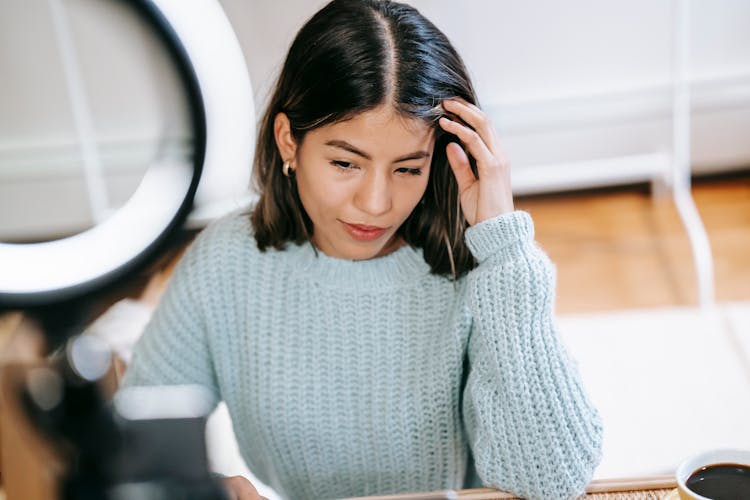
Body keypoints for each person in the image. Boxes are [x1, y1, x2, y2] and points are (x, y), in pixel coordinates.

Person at [120, 0, 603, 499]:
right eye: (346, 164)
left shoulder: (476, 265)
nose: (376, 204)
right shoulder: (224, 263)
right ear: (289, 141)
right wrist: (209, 488)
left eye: (408, 168)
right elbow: (138, 448)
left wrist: (504, 250)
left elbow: (554, 481)